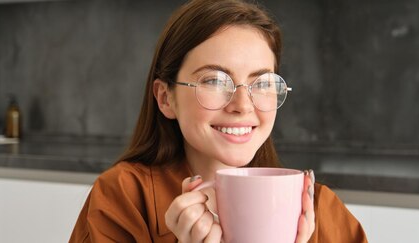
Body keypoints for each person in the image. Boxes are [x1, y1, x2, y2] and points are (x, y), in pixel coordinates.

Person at [69, 0, 367, 242]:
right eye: (214, 80)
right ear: (165, 98)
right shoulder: (122, 197)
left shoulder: (319, 209)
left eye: (261, 82)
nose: (242, 105)